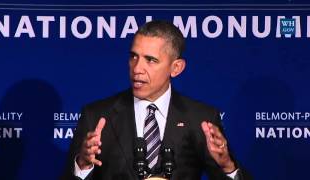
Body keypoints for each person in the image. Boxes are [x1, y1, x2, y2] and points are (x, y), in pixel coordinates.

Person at [62, 20, 251, 180]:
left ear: (176, 68)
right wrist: (83, 165)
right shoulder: (96, 115)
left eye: (150, 60)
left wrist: (227, 166)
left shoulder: (201, 118)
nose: (137, 68)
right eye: (134, 56)